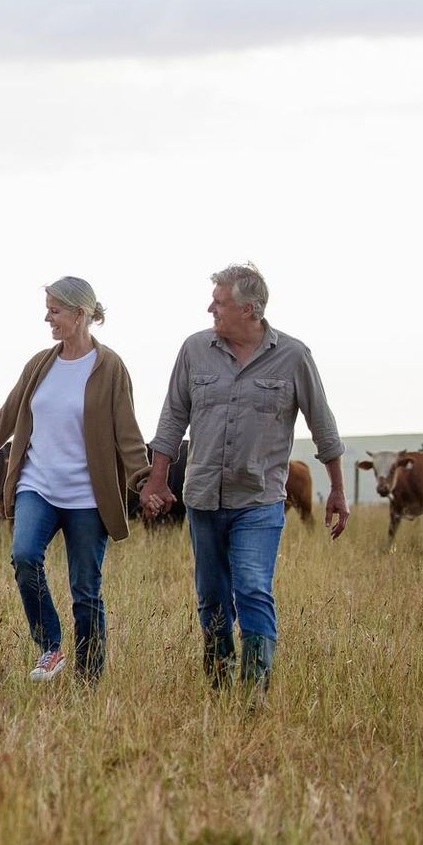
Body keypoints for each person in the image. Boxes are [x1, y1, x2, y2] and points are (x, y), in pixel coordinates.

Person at [138, 263, 348, 701]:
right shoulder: (194, 350)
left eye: (220, 302)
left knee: (252, 587)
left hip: (259, 498)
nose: (210, 307)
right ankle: (218, 682)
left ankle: (254, 690)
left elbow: (323, 426)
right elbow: (173, 417)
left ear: (249, 309)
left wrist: (339, 491)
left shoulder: (294, 356)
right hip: (202, 498)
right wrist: (157, 480)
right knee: (212, 596)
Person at [0, 278, 151, 685]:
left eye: (54, 309)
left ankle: (88, 679)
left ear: (80, 313)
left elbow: (127, 432)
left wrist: (145, 480)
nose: (47, 317)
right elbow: (4, 421)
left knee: (85, 592)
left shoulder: (110, 368)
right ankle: (50, 646)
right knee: (25, 556)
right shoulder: (40, 365)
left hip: (88, 496)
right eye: (47, 308)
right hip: (38, 485)